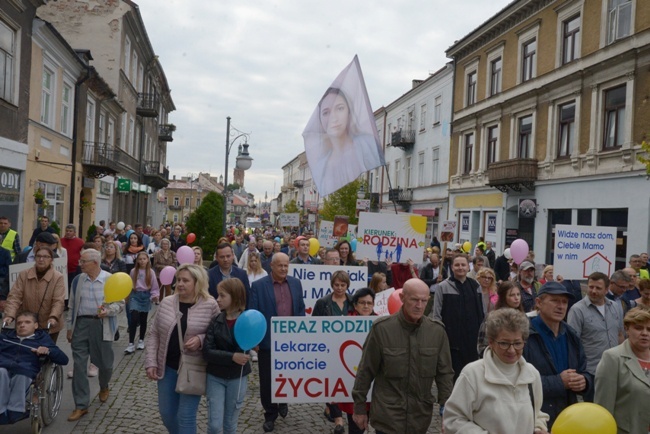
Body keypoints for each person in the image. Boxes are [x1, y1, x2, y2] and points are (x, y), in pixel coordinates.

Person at [352, 278, 454, 434]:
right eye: (414, 300)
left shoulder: (437, 332)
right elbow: (365, 370)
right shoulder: (382, 329)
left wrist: (447, 411)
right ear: (402, 298)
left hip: (420, 419)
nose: (419, 305)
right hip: (387, 418)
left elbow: (445, 374)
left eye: (424, 301)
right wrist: (359, 408)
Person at [445, 308, 549, 433]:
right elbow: (453, 419)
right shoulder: (473, 374)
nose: (511, 350)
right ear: (491, 342)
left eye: (517, 343)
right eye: (504, 343)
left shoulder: (532, 374)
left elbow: (537, 413)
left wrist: (538, 428)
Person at [145, 264, 219, 434]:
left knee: (186, 415)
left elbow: (218, 335)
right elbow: (154, 334)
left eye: (185, 280)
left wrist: (200, 340)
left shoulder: (210, 305)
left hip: (193, 368)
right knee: (167, 414)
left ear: (197, 282)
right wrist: (151, 362)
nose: (180, 284)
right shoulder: (167, 302)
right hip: (168, 367)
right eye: (178, 280)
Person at [522, 281, 592, 429]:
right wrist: (559, 382)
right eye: (554, 301)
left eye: (565, 302)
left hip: (566, 418)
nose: (561, 306)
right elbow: (518, 381)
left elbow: (584, 369)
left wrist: (584, 382)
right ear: (538, 303)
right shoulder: (523, 335)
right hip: (534, 420)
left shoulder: (571, 335)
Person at [248, 253, 305, 432]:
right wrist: (255, 340)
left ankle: (283, 400)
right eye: (279, 265)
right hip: (267, 341)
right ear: (271, 266)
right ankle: (270, 414)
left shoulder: (296, 283)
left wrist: (301, 334)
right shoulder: (258, 286)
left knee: (287, 373)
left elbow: (301, 309)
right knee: (267, 379)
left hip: (290, 341)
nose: (283, 269)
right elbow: (253, 312)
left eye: (286, 265)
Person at [66, 248, 124, 422]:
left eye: (83, 261)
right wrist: (70, 327)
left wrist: (108, 311)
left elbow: (120, 304)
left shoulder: (109, 279)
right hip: (81, 324)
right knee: (79, 365)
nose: (80, 264)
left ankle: (104, 385)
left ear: (95, 263)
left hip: (102, 325)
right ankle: (81, 405)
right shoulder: (78, 280)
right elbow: (71, 306)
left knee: (105, 365)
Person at [306, 87, 383, 196]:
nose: (334, 117)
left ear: (349, 112)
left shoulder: (367, 145)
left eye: (340, 108)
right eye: (326, 112)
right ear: (320, 121)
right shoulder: (320, 166)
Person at [0, 311, 68, 423]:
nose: (22, 325)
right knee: (1, 372)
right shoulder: (5, 338)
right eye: (19, 323)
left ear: (35, 325)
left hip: (26, 368)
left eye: (27, 322)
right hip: (3, 366)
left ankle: (15, 409)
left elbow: (64, 360)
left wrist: (47, 351)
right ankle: (1, 410)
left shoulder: (42, 339)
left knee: (21, 374)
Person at [567, 272, 624, 402]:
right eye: (591, 287)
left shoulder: (615, 307)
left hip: (615, 369)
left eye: (598, 288)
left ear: (606, 289)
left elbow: (620, 334)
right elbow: (572, 344)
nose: (593, 291)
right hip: (592, 372)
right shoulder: (577, 310)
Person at [203, 278, 251, 434]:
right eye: (218, 295)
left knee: (230, 425)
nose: (218, 299)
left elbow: (245, 349)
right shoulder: (216, 321)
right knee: (214, 425)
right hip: (215, 376)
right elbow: (207, 351)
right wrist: (232, 357)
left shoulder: (247, 321)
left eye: (222, 296)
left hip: (237, 377)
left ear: (235, 296)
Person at [595, 306, 650, 433]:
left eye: (649, 329)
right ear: (627, 329)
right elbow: (603, 409)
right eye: (638, 328)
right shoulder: (612, 358)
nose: (645, 333)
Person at [431, 254, 484, 381]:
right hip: (451, 340)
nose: (460, 267)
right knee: (452, 375)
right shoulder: (443, 287)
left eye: (463, 265)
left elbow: (481, 312)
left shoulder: (475, 286)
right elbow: (436, 314)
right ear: (452, 267)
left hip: (471, 339)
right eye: (457, 265)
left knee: (470, 375)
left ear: (468, 267)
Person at [312, 270, 353, 434]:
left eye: (343, 285)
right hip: (328, 349)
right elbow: (313, 326)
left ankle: (341, 410)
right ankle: (338, 420)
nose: (340, 288)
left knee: (347, 383)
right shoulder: (323, 302)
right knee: (332, 384)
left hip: (349, 349)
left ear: (347, 285)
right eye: (337, 285)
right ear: (332, 285)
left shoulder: (353, 301)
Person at [3, 247, 66, 342]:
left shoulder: (58, 277)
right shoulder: (24, 274)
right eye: (39, 256)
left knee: (45, 352)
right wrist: (9, 315)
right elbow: (14, 296)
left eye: (45, 256)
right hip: (27, 323)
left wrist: (54, 316)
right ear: (34, 258)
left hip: (48, 324)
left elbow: (58, 300)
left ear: (51, 259)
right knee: (26, 352)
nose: (41, 259)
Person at [336, 288, 376, 434]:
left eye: (369, 303)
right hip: (352, 385)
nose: (366, 306)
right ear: (355, 305)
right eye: (362, 303)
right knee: (355, 429)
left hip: (377, 388)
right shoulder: (344, 324)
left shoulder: (381, 323)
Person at [125, 252, 160, 354]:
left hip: (146, 296)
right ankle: (131, 343)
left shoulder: (151, 272)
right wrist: (127, 296)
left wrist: (154, 296)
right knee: (134, 318)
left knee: (143, 319)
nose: (142, 261)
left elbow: (154, 286)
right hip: (135, 295)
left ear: (148, 260)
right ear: (137, 260)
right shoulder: (133, 271)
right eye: (140, 259)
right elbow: (129, 283)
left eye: (144, 259)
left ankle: (141, 340)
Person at [61, 224, 84, 301]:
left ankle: (72, 301)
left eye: (70, 231)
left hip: (74, 268)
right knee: (63, 286)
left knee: (72, 286)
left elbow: (82, 253)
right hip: (63, 268)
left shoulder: (80, 242)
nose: (68, 233)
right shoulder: (61, 241)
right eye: (67, 231)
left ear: (74, 232)